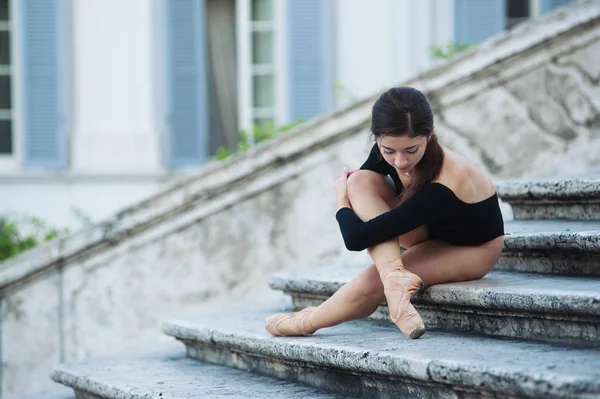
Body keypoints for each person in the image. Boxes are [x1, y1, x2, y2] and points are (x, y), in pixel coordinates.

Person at [265, 87, 505, 339]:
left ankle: (308, 321)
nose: (400, 161)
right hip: (427, 231)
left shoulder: (447, 179)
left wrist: (341, 200)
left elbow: (356, 238)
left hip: (472, 249)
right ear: (377, 138)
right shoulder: (385, 152)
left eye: (411, 150)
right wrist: (349, 189)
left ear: (430, 133)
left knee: (372, 281)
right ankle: (395, 278)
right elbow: (365, 202)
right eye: (389, 150)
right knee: (358, 180)